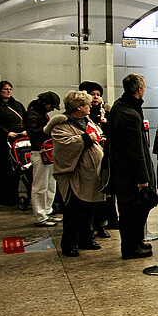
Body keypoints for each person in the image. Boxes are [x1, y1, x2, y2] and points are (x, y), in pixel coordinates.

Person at [46, 90, 106, 257]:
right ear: (79, 107)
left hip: (90, 175)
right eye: (87, 104)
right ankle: (69, 244)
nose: (90, 106)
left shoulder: (86, 120)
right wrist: (86, 139)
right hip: (75, 175)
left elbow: (95, 134)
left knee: (89, 209)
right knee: (73, 211)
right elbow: (64, 146)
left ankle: (86, 238)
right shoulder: (61, 125)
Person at [104, 74, 155, 259]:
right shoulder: (129, 114)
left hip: (122, 169)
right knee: (133, 211)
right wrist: (143, 178)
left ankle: (136, 242)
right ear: (139, 89)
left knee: (130, 210)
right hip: (129, 173)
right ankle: (131, 247)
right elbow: (136, 149)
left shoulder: (120, 106)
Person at [80, 81, 116, 237]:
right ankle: (92, 227)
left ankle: (106, 222)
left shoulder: (105, 112)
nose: (96, 97)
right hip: (89, 159)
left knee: (106, 192)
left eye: (98, 94)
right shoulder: (82, 117)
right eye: (92, 94)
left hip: (104, 154)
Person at [0, 80, 27, 206]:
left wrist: (25, 130)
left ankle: (14, 196)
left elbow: (25, 119)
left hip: (17, 142)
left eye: (10, 89)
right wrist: (6, 133)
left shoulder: (17, 105)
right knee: (4, 169)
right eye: (5, 89)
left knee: (16, 169)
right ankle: (4, 198)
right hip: (0, 143)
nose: (8, 91)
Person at [24, 91, 61, 227]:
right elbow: (33, 132)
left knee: (50, 185)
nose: (52, 109)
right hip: (39, 153)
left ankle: (47, 212)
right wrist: (49, 127)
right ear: (45, 103)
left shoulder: (40, 114)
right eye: (51, 106)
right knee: (40, 186)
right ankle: (40, 216)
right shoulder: (32, 114)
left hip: (47, 153)